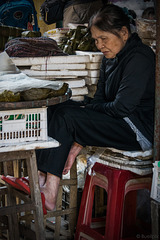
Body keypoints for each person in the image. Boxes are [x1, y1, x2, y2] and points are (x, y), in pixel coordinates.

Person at [36, 3, 155, 211]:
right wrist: (82, 123)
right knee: (56, 108)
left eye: (104, 39)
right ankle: (39, 178)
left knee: (68, 117)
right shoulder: (110, 58)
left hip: (137, 130)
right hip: (118, 121)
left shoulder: (140, 57)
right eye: (96, 40)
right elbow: (99, 100)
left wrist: (83, 117)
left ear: (124, 33)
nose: (100, 45)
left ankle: (51, 192)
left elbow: (120, 108)